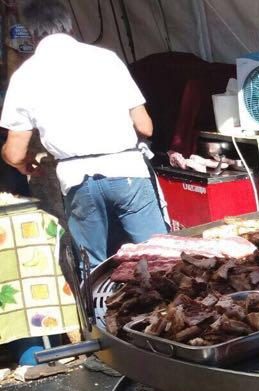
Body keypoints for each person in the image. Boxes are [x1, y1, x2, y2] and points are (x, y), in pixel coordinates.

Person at [0, 0, 167, 268]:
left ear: (30, 35)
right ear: (70, 27)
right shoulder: (107, 59)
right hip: (128, 171)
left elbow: (15, 152)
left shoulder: (25, 76)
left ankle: (100, 297)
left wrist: (23, 164)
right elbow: (145, 127)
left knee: (94, 268)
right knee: (160, 256)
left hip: (78, 180)